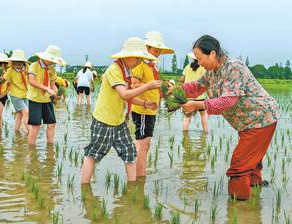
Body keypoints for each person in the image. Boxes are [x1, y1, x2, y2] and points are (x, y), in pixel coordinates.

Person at [180, 35, 280, 200]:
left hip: (261, 119)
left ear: (212, 54)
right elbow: (196, 87)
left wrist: (198, 105)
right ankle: (254, 200)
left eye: (199, 58)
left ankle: (238, 207)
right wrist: (175, 91)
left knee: (239, 167)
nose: (198, 63)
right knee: (252, 163)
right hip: (246, 123)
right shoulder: (211, 72)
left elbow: (227, 101)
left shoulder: (233, 67)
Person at [81, 37, 162, 184]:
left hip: (119, 121)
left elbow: (128, 97)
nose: (139, 61)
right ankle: (84, 188)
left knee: (129, 152)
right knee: (93, 154)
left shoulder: (127, 72)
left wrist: (145, 103)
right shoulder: (114, 70)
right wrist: (148, 86)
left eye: (140, 58)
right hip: (104, 120)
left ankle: (133, 187)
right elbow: (124, 94)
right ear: (127, 56)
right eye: (137, 58)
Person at [131, 31, 174, 177]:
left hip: (151, 110)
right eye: (156, 50)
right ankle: (138, 178)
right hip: (143, 109)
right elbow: (133, 86)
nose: (158, 53)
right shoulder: (140, 64)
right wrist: (150, 86)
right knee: (143, 144)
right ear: (147, 48)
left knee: (145, 143)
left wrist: (164, 87)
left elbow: (154, 86)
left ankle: (140, 173)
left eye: (159, 51)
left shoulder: (153, 66)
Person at [27, 45, 66, 145]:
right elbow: (31, 81)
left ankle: (50, 148)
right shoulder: (34, 65)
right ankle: (31, 150)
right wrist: (46, 88)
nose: (53, 63)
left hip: (47, 100)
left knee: (52, 124)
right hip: (35, 99)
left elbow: (53, 85)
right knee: (36, 126)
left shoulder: (52, 70)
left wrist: (57, 94)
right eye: (52, 60)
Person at [181, 53, 208, 132]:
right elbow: (205, 83)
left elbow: (182, 79)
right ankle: (205, 134)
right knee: (203, 115)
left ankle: (185, 135)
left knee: (187, 117)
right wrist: (210, 95)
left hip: (188, 97)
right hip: (200, 97)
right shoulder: (203, 68)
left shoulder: (187, 67)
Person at [4, 49, 30, 133]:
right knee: (26, 113)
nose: (18, 64)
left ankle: (17, 132)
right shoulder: (10, 70)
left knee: (20, 114)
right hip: (16, 96)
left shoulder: (27, 68)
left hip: (26, 94)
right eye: (15, 62)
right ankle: (31, 133)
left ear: (23, 62)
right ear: (12, 62)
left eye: (20, 62)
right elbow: (4, 80)